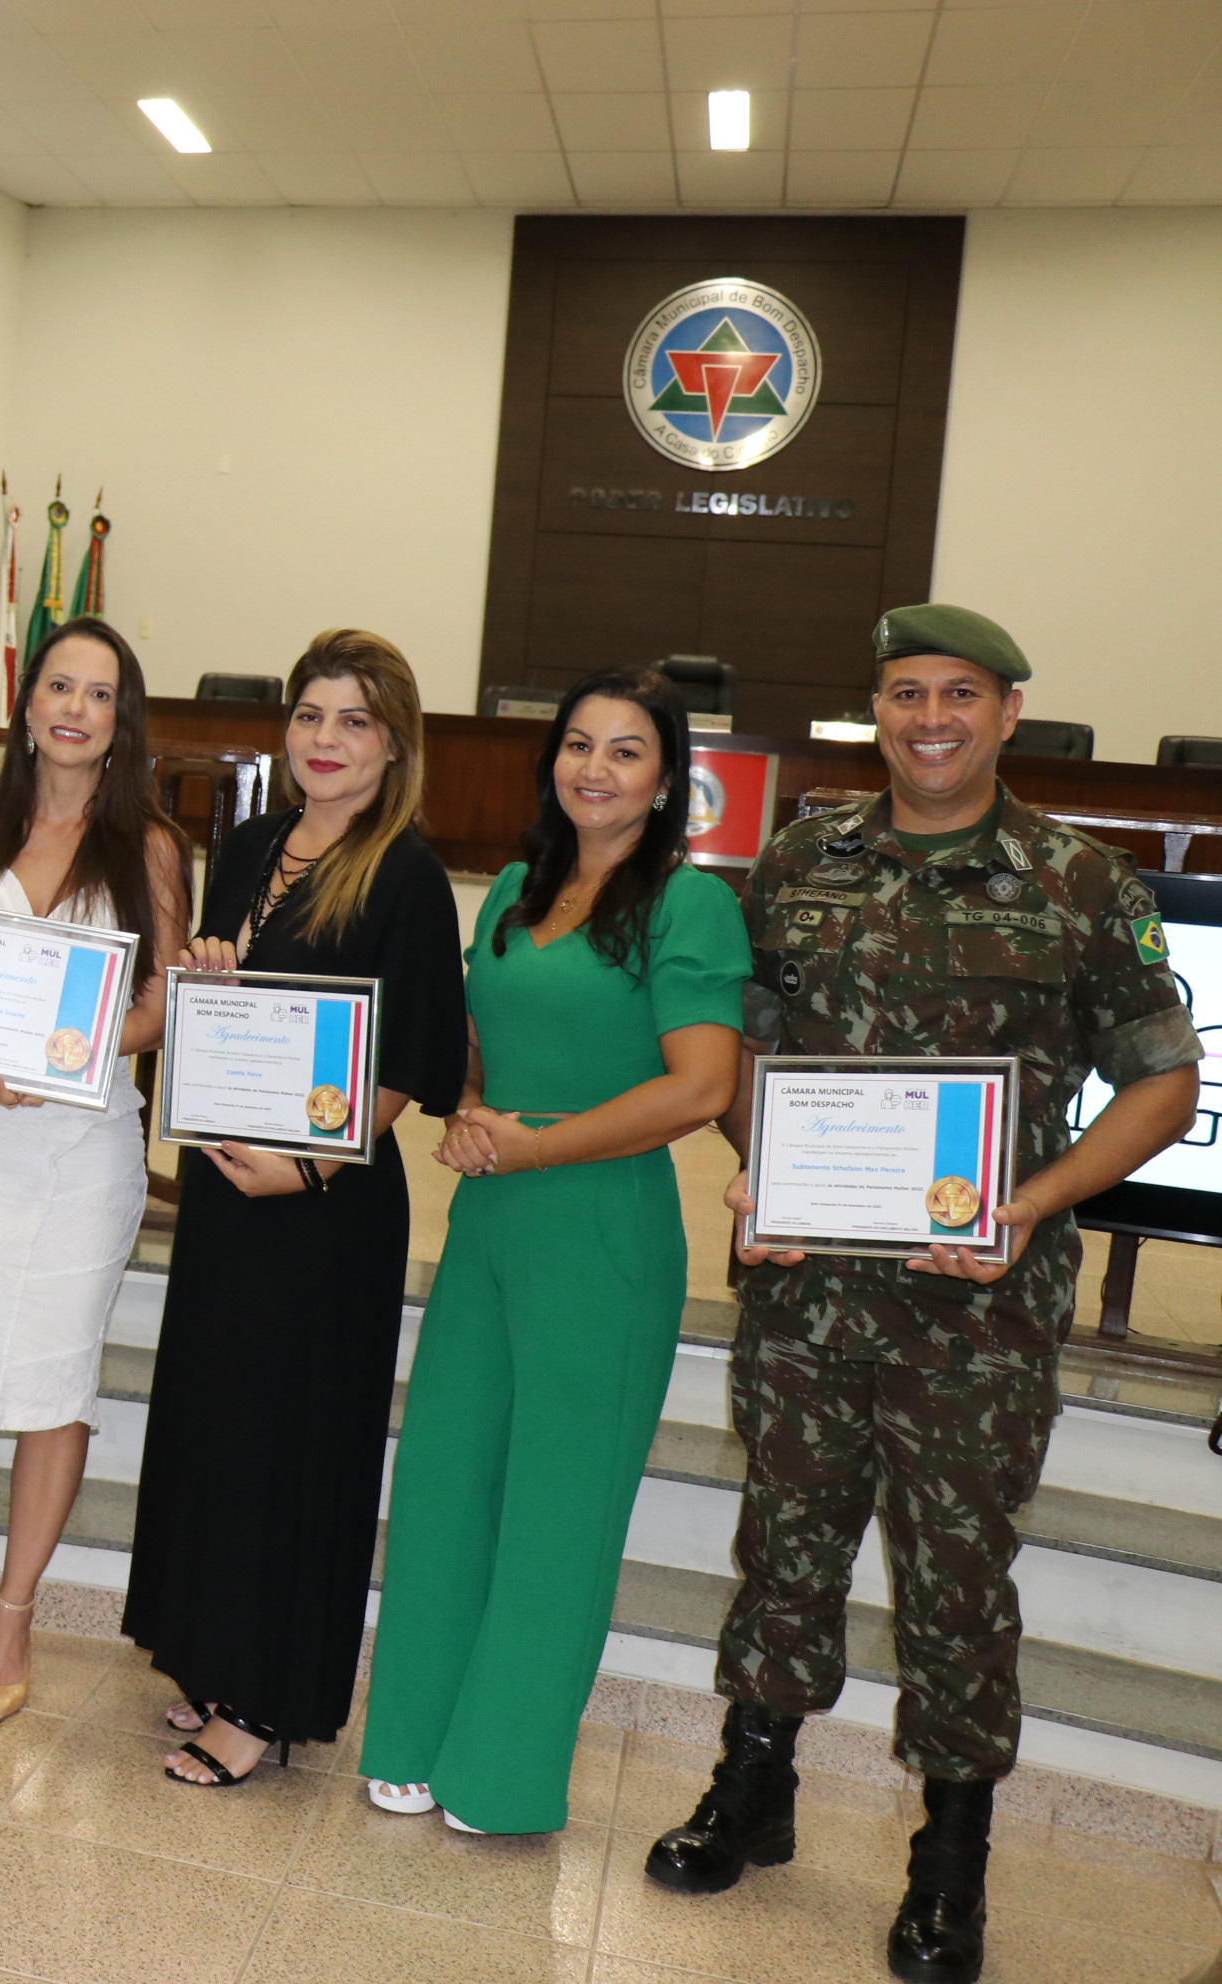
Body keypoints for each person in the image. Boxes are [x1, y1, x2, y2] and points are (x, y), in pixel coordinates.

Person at [643, 607, 1197, 1984]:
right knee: (785, 1548)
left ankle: (951, 1860)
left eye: (959, 692)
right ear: (874, 711)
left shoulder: (1078, 882)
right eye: (904, 693)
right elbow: (737, 1056)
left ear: (1009, 711)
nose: (929, 717)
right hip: (807, 1291)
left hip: (979, 1310)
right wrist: (759, 1174)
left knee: (957, 1586)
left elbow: (1163, 1081)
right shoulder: (802, 859)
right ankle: (752, 1788)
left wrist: (1032, 1202)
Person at [356, 666, 744, 1834]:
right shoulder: (518, 888)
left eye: (626, 751)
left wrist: (537, 1146)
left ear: (669, 779)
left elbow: (701, 1085)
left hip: (601, 1232)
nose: (594, 767)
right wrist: (470, 1103)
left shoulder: (690, 905)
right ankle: (413, 1735)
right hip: (489, 1222)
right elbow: (481, 1043)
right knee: (443, 1479)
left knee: (557, 1511)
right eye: (578, 743)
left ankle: (506, 1774)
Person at [120, 630, 468, 1788]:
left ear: (393, 744)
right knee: (217, 1426)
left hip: (323, 1207)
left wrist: (308, 1169)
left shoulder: (406, 874)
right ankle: (212, 1664)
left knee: (289, 1447)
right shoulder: (255, 840)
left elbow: (408, 1062)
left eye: (354, 722)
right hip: (230, 1191)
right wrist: (212, 983)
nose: (326, 740)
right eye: (311, 716)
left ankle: (264, 1702)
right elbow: (227, 1002)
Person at [0, 616, 191, 1738]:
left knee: (55, 1390)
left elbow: (161, 1005)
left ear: (121, 721)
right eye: (58, 683)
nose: (74, 705)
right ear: (27, 704)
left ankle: (12, 1617)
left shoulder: (149, 845)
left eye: (99, 693)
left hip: (78, 1147)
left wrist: (76, 1049)